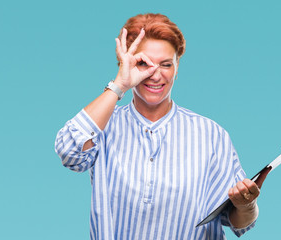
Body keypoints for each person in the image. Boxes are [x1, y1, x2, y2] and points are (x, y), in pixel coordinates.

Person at [55, 13, 266, 240]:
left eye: (166, 64)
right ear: (126, 63)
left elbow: (239, 223)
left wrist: (247, 206)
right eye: (144, 63)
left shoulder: (211, 135)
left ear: (177, 68)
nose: (155, 75)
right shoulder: (104, 126)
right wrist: (119, 85)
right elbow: (69, 153)